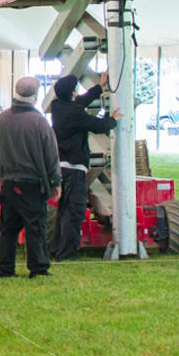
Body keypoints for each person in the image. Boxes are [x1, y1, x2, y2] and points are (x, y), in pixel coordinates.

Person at [0, 76, 61, 279]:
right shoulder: (39, 122)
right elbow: (51, 156)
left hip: (9, 181)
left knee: (8, 227)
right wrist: (56, 182)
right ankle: (38, 268)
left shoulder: (2, 119)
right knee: (35, 227)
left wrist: (1, 172)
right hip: (32, 183)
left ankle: (5, 268)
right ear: (36, 96)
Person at [49, 73, 122, 261]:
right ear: (72, 92)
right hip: (74, 171)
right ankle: (66, 255)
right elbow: (98, 125)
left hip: (61, 168)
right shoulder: (74, 113)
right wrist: (113, 119)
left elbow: (80, 101)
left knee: (64, 212)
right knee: (74, 212)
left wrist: (99, 87)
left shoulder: (58, 107)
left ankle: (57, 249)